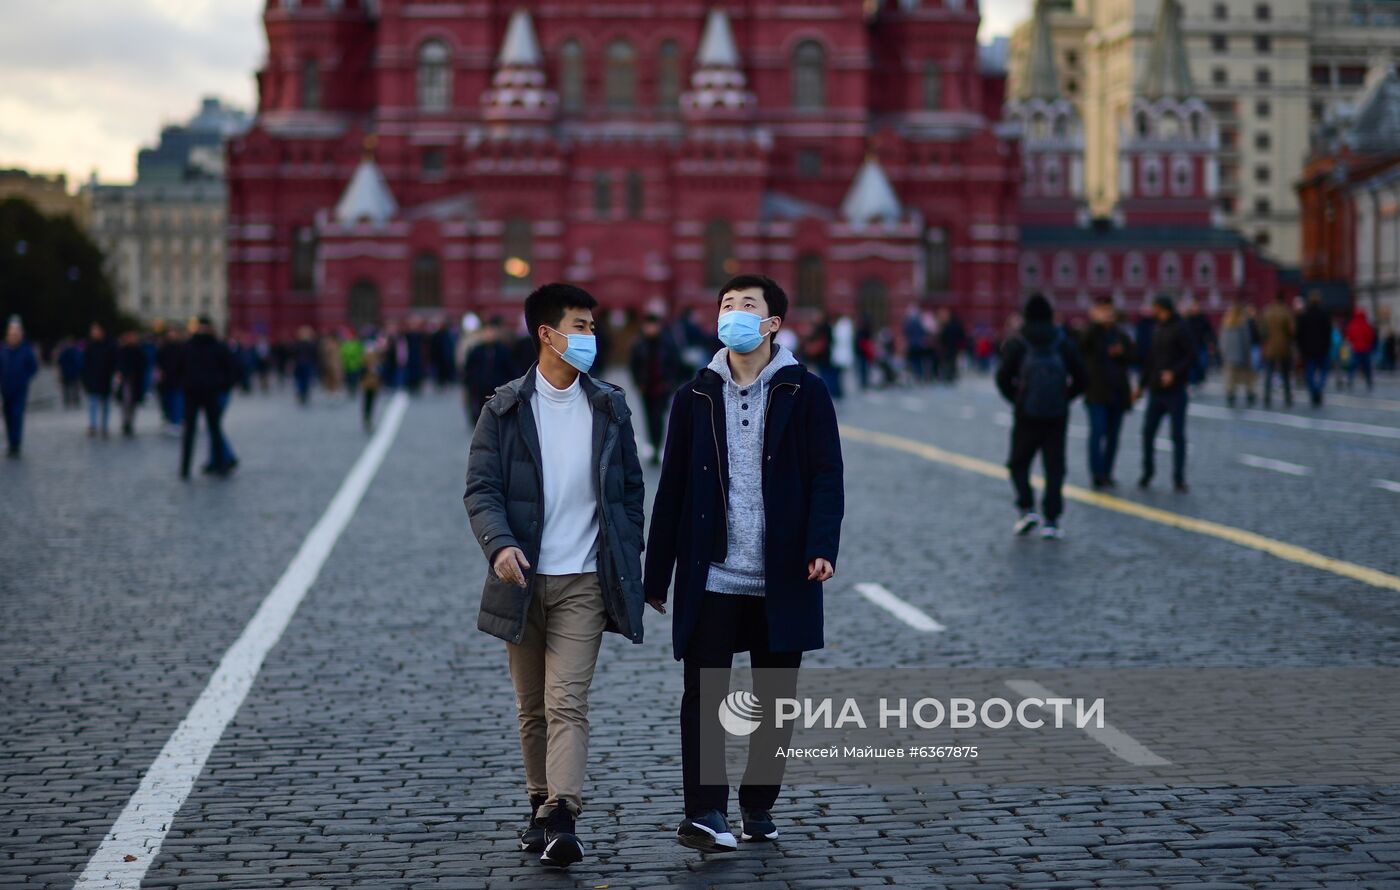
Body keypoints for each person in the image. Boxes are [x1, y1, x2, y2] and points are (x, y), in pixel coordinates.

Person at [644, 274, 844, 854]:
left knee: (773, 698)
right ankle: (706, 810)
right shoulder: (694, 395)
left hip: (783, 572)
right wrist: (658, 576)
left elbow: (827, 476)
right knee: (703, 693)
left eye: (747, 305)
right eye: (726, 303)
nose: (733, 312)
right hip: (714, 573)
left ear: (773, 323)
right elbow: (673, 488)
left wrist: (821, 546)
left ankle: (758, 803)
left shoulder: (806, 391)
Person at [464, 283, 645, 870]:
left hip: (585, 581)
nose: (590, 336)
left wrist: (628, 554)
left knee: (568, 700)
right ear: (546, 334)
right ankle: (539, 805)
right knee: (532, 707)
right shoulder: (504, 408)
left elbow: (630, 493)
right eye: (580, 325)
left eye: (593, 325)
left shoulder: (611, 406)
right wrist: (499, 546)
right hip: (521, 581)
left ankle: (563, 813)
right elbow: (482, 490)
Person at [995, 294, 1087, 537]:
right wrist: (1064, 398)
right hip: (1057, 415)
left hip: (1026, 414)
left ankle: (1027, 509)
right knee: (1054, 468)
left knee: (1018, 464)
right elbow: (1082, 378)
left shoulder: (1019, 342)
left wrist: (1018, 400)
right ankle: (1052, 521)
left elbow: (1002, 378)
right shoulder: (1062, 341)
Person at [1136, 295, 1195, 493]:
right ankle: (1147, 472)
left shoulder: (1180, 328)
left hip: (1175, 391)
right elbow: (1150, 360)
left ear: (1163, 309)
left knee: (1177, 436)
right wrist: (1141, 386)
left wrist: (1174, 373)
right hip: (1156, 390)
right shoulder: (1157, 328)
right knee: (1147, 433)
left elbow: (1190, 356)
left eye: (1155, 308)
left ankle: (1178, 478)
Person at [1077, 298, 1135, 489]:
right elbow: (1082, 345)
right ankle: (1097, 474)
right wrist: (1095, 323)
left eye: (1110, 312)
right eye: (1103, 312)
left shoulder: (1120, 334)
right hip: (1096, 393)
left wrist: (1122, 352)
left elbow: (1134, 355)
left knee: (1113, 436)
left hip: (1117, 393)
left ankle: (1108, 473)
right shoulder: (1091, 332)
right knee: (1097, 433)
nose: (1108, 316)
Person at [178, 317, 236, 479]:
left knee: (198, 431)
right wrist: (222, 385)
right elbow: (229, 369)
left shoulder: (189, 346)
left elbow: (178, 368)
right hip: (208, 392)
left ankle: (186, 468)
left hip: (196, 392)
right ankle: (219, 466)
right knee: (212, 429)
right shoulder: (217, 346)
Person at [628, 312, 684, 464]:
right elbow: (634, 366)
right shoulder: (639, 344)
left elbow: (676, 364)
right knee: (649, 417)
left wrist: (671, 383)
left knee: (658, 417)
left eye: (653, 325)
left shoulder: (667, 343)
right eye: (648, 325)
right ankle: (652, 444)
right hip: (646, 388)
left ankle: (657, 446)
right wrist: (637, 383)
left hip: (662, 387)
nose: (651, 328)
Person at [463, 317, 521, 425]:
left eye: (491, 331)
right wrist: (471, 383)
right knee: (480, 410)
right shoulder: (476, 351)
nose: (489, 334)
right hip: (480, 388)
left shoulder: (503, 350)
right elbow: (469, 370)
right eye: (486, 331)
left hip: (497, 388)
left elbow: (511, 369)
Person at [0, 317, 39, 457]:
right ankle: (11, 443)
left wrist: (24, 377)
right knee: (8, 418)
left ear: (21, 335)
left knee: (16, 417)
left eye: (15, 334)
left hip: (20, 390)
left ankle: (15, 445)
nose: (13, 337)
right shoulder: (3, 349)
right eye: (11, 334)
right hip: (5, 390)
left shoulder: (26, 349)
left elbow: (33, 367)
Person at [1259, 291, 1295, 408]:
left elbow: (1262, 330)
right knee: (1285, 374)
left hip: (1270, 346)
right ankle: (1287, 397)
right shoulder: (1286, 311)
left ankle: (1267, 397)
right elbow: (1292, 330)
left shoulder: (1267, 311)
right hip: (1284, 347)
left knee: (1269, 373)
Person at [82, 323, 118, 438]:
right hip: (93, 379)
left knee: (105, 404)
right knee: (93, 402)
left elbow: (114, 362)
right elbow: (86, 364)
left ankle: (104, 426)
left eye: (96, 330)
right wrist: (86, 378)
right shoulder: (90, 346)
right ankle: (93, 425)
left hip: (106, 379)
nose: (94, 333)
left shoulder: (110, 345)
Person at [1296, 293, 1332, 407]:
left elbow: (1299, 335)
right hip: (1322, 349)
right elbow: (1328, 333)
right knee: (1323, 372)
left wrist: (1301, 349)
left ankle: (1314, 391)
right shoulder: (1324, 314)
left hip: (1308, 350)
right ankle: (1318, 389)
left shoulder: (1304, 316)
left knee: (1310, 373)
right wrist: (1327, 346)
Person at [1218, 304, 1257, 408]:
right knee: (1248, 377)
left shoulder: (1226, 323)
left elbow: (1222, 341)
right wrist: (1247, 356)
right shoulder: (1242, 324)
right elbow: (1246, 341)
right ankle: (1250, 394)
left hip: (1229, 356)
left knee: (1230, 377)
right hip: (1241, 355)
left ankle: (1231, 395)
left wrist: (1223, 353)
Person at [116, 330, 150, 436]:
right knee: (126, 403)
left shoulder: (139, 351)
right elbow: (119, 364)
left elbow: (143, 366)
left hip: (135, 381)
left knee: (132, 404)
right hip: (126, 380)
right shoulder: (123, 350)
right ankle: (126, 422)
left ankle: (129, 423)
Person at [1344, 307, 1376, 391]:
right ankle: (1369, 380)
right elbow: (1370, 336)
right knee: (1367, 366)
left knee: (1353, 365)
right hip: (1365, 348)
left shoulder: (1352, 324)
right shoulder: (1366, 324)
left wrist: (1354, 342)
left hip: (1356, 348)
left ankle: (1350, 378)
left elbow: (1349, 335)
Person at [292, 327, 318, 405]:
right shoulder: (310, 344)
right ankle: (304, 394)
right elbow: (314, 355)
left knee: (301, 380)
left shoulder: (297, 344)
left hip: (300, 364)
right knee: (305, 380)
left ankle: (302, 394)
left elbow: (294, 354)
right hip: (306, 364)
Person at [57, 339, 83, 408]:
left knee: (67, 388)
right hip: (73, 373)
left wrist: (60, 374)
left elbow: (59, 363)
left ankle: (67, 401)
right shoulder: (76, 352)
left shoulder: (64, 352)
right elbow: (80, 363)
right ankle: (75, 401)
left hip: (67, 373)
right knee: (74, 388)